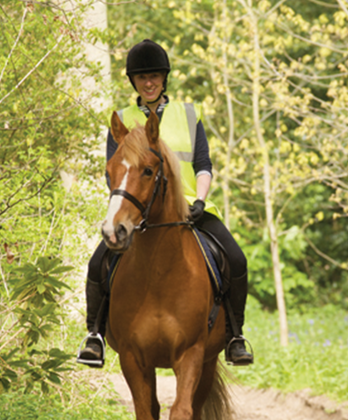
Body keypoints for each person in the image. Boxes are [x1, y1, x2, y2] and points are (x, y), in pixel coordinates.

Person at [77, 39, 254, 367]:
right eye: (142, 77)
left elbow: (202, 164)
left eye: (154, 76)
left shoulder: (189, 114)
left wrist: (199, 199)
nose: (148, 83)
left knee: (236, 259)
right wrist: (128, 210)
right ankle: (95, 334)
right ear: (132, 81)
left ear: (164, 78)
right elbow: (114, 172)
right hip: (137, 211)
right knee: (97, 264)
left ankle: (234, 335)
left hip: (188, 206)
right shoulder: (121, 118)